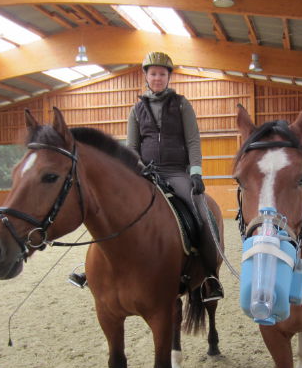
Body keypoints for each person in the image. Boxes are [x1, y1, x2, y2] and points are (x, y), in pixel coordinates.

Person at [69, 51, 223, 302]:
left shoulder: (182, 105)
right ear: (146, 77)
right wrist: (139, 169)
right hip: (146, 172)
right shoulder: (137, 109)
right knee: (111, 210)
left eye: (162, 74)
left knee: (201, 213)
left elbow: (193, 140)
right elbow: (131, 147)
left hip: (176, 172)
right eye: (153, 74)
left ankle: (209, 274)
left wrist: (195, 172)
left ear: (168, 77)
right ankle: (92, 270)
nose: (157, 78)